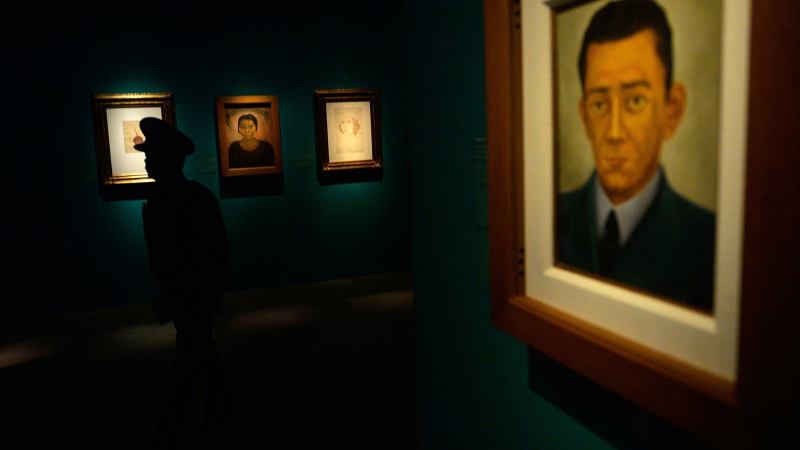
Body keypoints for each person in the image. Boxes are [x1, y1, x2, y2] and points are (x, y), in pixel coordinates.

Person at [557, 0, 715, 310]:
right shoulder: (550, 220)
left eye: (635, 101)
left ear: (671, 110)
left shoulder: (710, 242)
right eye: (600, 104)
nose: (615, 132)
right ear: (584, 116)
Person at [134, 117, 234, 448]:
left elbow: (210, 251)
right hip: (185, 293)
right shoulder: (177, 197)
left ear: (168, 159)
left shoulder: (183, 199)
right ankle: (221, 410)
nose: (147, 161)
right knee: (201, 349)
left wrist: (205, 292)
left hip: (191, 293)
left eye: (152, 155)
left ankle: (171, 432)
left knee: (187, 361)